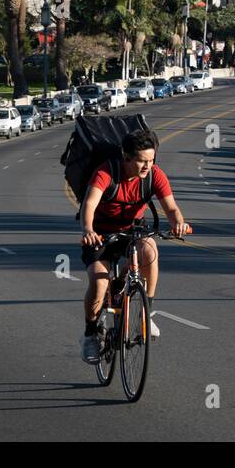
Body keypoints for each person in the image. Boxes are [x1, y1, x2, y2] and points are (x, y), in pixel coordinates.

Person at [79, 129, 188, 363]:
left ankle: (145, 315)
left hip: (132, 229)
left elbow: (171, 208)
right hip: (100, 233)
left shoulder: (154, 175)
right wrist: (88, 230)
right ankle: (90, 334)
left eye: (151, 160)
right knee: (99, 283)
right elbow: (89, 204)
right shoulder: (106, 172)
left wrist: (178, 222)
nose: (147, 166)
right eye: (141, 161)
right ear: (126, 156)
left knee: (150, 251)